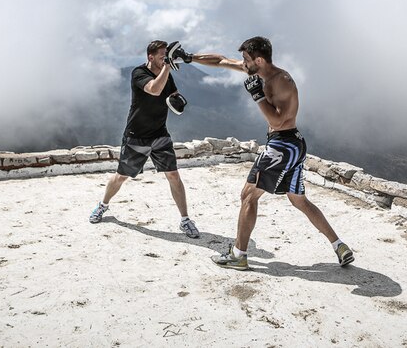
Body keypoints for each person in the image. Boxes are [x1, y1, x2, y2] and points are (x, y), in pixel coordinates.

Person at [187, 36, 354, 269]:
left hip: (282, 146)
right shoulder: (258, 70)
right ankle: (339, 246)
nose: (242, 63)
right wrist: (189, 57)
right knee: (299, 201)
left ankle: (239, 255)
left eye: (246, 59)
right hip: (293, 145)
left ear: (259, 59)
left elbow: (278, 121)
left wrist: (257, 97)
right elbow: (222, 61)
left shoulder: (281, 81)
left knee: (248, 195)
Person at [89, 40, 200, 239]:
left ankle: (185, 219)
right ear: (150, 57)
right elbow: (154, 90)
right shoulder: (139, 73)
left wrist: (177, 100)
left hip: (160, 135)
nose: (166, 59)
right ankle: (102, 205)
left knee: (174, 175)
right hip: (136, 136)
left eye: (167, 55)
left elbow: (171, 93)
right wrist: (167, 66)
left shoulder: (167, 74)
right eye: (162, 56)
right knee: (121, 176)